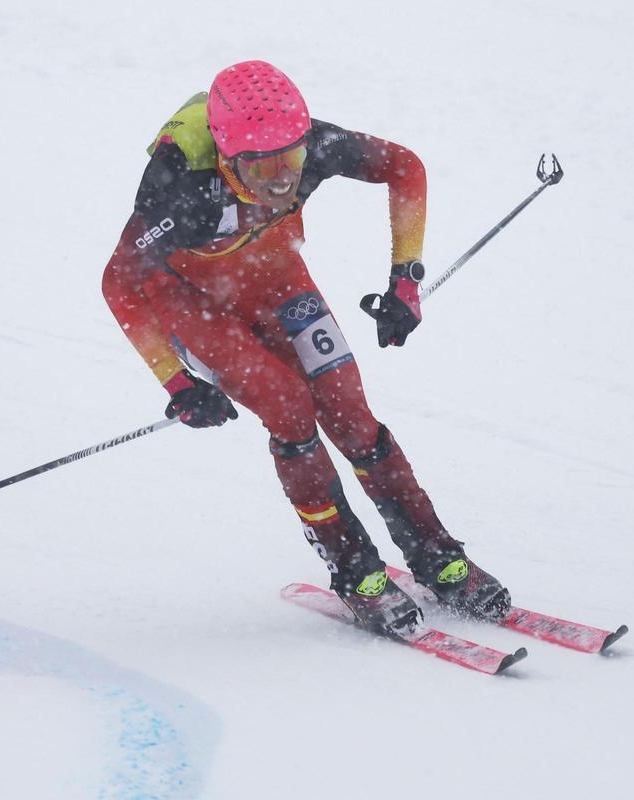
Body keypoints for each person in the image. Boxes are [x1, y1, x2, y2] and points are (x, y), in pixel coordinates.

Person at [101, 60, 510, 637]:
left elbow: (405, 167)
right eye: (260, 166)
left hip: (275, 279)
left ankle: (436, 554)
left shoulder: (315, 145)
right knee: (289, 409)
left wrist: (405, 279)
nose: (279, 181)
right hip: (194, 303)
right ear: (226, 157)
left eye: (289, 161)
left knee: (352, 417)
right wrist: (178, 382)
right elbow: (118, 283)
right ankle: (355, 571)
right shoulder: (179, 186)